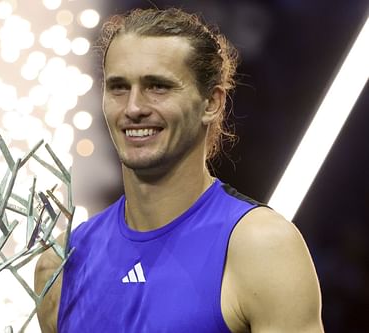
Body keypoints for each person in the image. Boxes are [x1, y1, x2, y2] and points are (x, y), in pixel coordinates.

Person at [35, 7, 323, 333]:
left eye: (157, 87)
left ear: (211, 103)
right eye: (118, 87)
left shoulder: (262, 247)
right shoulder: (63, 263)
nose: (133, 108)